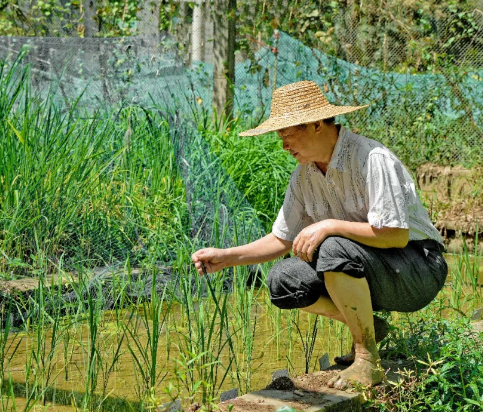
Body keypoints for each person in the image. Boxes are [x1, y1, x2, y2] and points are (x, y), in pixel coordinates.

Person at [191, 80, 447, 390]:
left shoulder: (371, 157)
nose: (284, 145)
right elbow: (281, 240)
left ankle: (367, 360)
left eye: (287, 135)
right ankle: (372, 329)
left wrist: (329, 226)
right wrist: (226, 256)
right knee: (284, 280)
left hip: (417, 269)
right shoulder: (303, 176)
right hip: (371, 268)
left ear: (315, 124)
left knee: (333, 246)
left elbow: (393, 235)